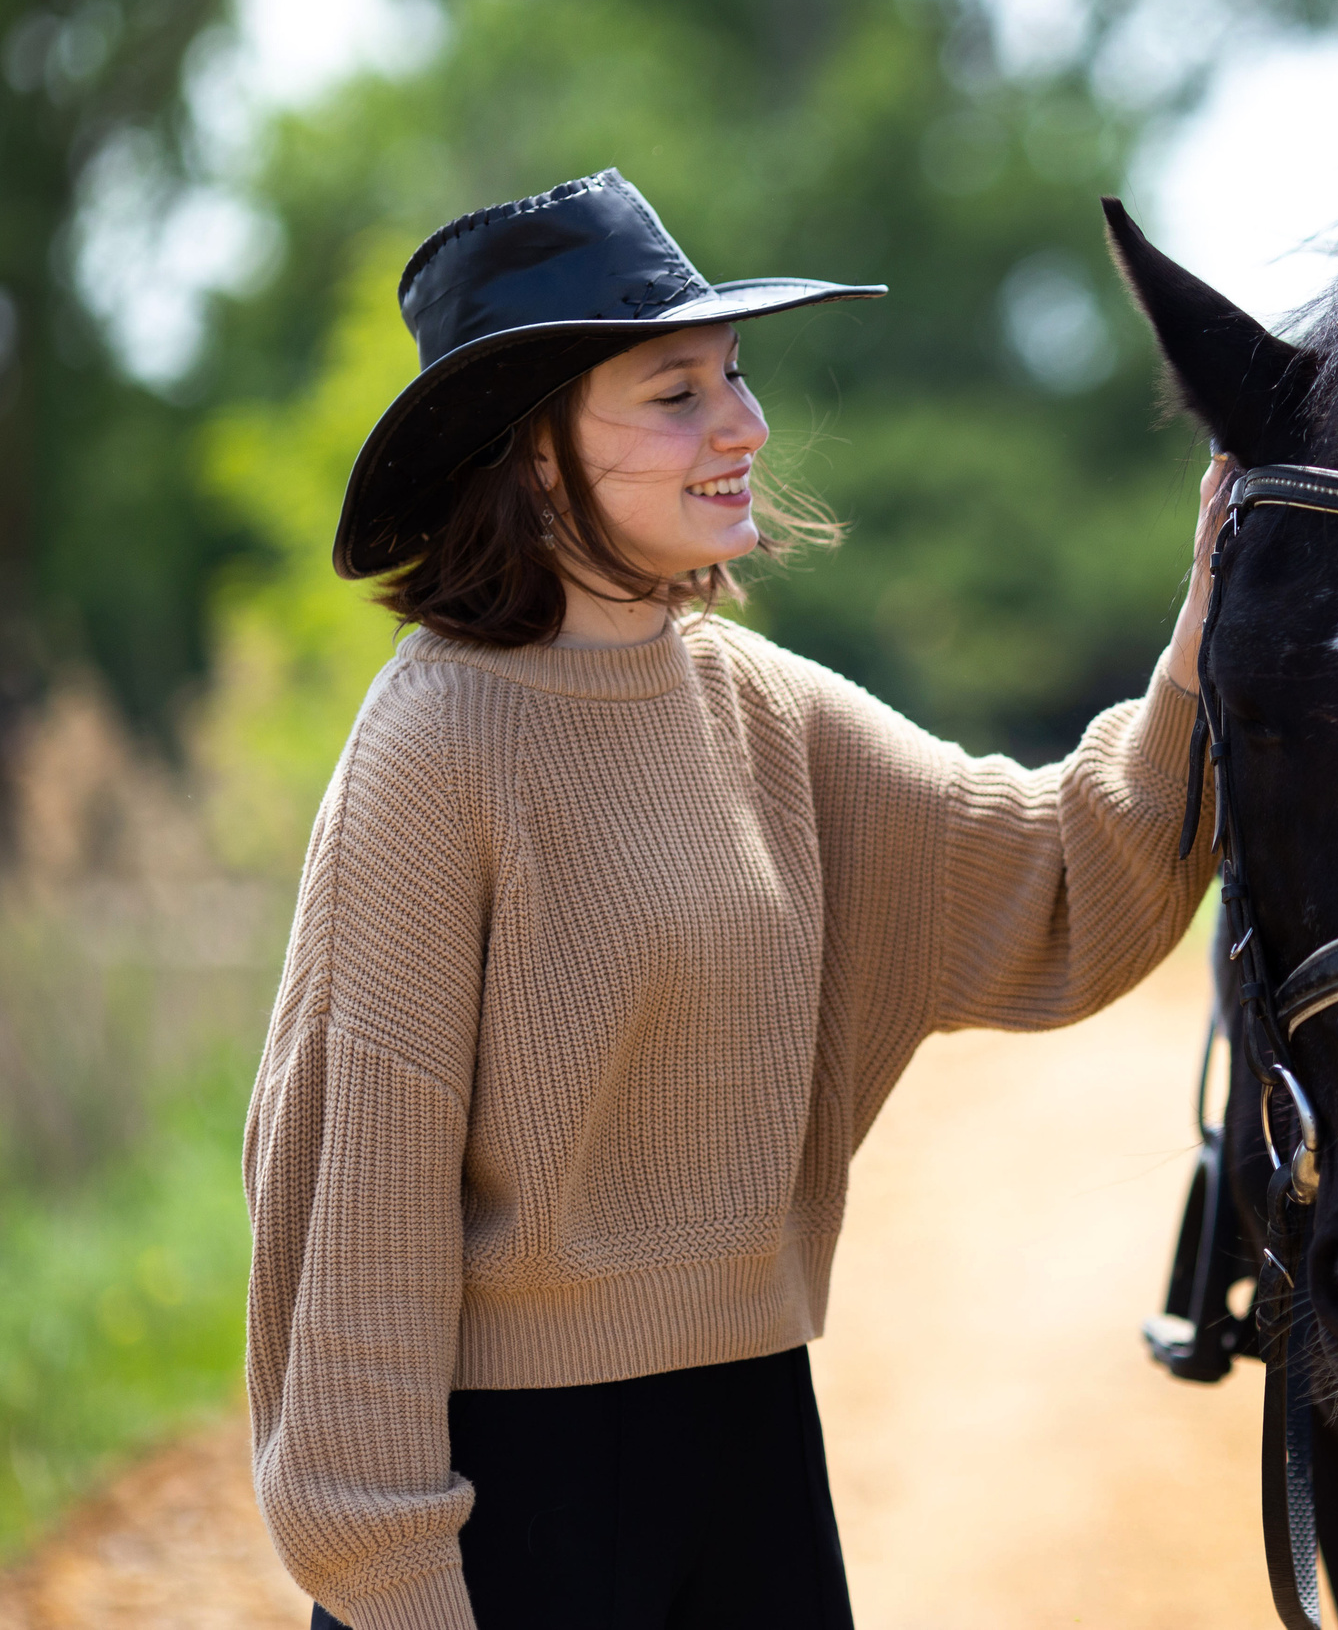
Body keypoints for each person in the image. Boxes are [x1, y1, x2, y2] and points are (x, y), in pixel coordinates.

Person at [242, 169, 1224, 1630]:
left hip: (754, 1452)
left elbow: (1062, 878)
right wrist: (392, 1581)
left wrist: (1217, 634)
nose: (745, 426)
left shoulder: (761, 708)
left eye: (736, 378)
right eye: (675, 392)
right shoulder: (433, 750)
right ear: (532, 455)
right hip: (514, 1504)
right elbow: (355, 1215)